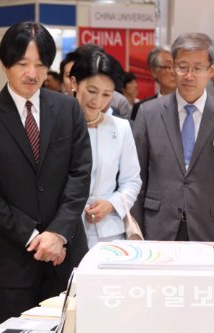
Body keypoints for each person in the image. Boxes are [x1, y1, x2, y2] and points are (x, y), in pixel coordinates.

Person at [0, 21, 92, 328]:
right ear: (5, 64)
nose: (32, 74)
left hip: (66, 254)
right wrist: (35, 238)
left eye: (40, 65)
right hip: (12, 260)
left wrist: (58, 233)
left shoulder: (68, 109)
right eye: (22, 64)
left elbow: (80, 174)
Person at [132, 33, 214, 242]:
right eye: (182, 66)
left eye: (197, 68)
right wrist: (135, 230)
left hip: (210, 228)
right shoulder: (148, 113)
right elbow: (136, 178)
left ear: (211, 70)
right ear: (173, 67)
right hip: (158, 225)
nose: (189, 75)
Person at [70, 51, 142, 249]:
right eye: (92, 91)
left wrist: (111, 204)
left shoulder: (121, 128)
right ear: (75, 84)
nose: (98, 101)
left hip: (110, 232)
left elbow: (132, 180)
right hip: (66, 232)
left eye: (106, 95)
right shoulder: (58, 124)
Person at [131, 46, 177, 120]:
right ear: (154, 72)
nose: (173, 71)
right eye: (168, 66)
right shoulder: (142, 108)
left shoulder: (190, 105)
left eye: (176, 66)